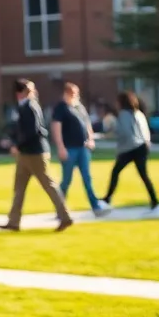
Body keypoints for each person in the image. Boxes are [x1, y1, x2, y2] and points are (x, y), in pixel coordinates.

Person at [0, 79, 72, 232]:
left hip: (35, 154)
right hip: (26, 154)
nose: (32, 92)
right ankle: (13, 221)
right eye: (29, 90)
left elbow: (33, 132)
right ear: (20, 93)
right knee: (19, 188)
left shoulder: (31, 107)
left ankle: (65, 217)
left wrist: (17, 146)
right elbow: (19, 129)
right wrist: (11, 140)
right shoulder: (23, 107)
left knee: (48, 185)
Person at [51, 82, 110, 217]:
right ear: (66, 93)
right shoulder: (61, 108)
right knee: (66, 180)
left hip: (83, 148)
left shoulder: (79, 107)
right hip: (69, 148)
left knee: (87, 178)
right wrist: (60, 147)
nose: (74, 96)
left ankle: (95, 206)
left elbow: (87, 123)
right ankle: (60, 209)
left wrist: (90, 139)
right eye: (71, 93)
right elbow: (56, 127)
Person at [100, 91, 159, 216]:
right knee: (144, 176)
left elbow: (124, 133)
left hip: (131, 148)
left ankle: (107, 199)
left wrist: (111, 134)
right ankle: (155, 204)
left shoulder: (123, 114)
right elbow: (145, 131)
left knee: (116, 172)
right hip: (142, 147)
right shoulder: (138, 113)